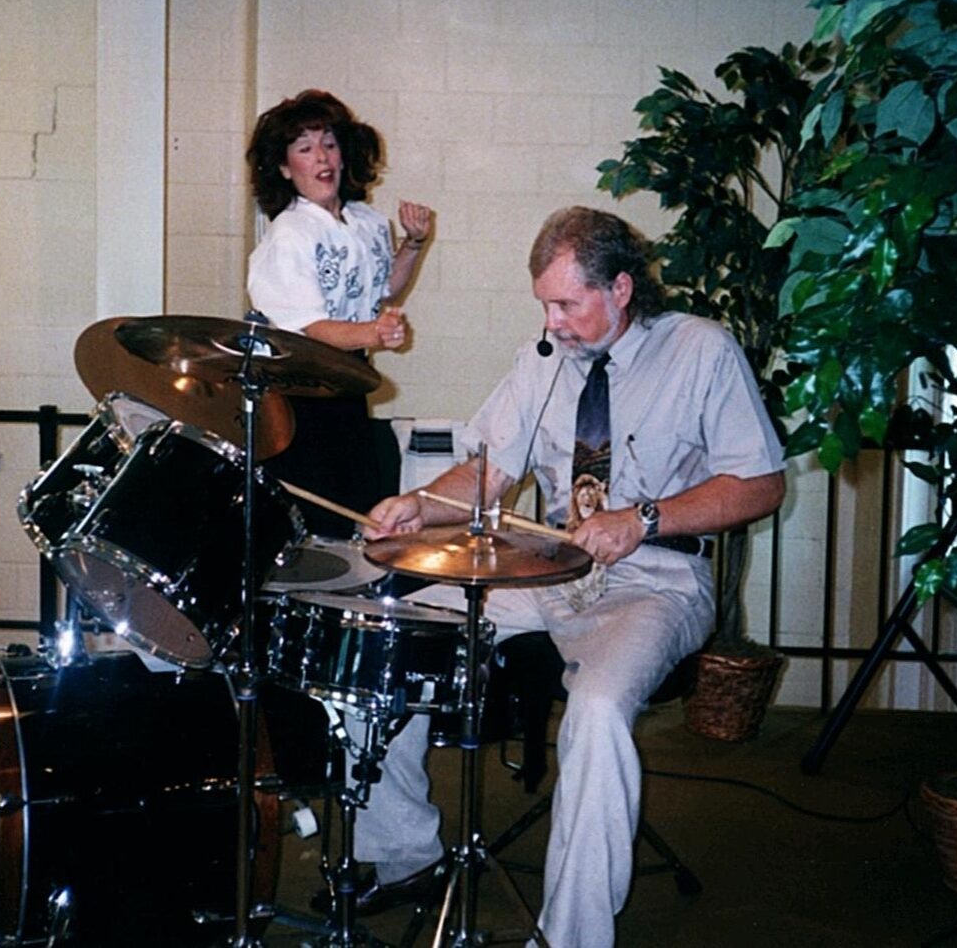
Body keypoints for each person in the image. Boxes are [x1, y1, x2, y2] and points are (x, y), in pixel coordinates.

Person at [337, 206, 787, 947]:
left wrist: (642, 517)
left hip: (656, 578)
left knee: (600, 709)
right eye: (545, 303)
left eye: (568, 303)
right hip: (543, 574)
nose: (553, 320)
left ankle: (572, 936)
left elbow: (760, 484)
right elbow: (490, 472)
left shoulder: (700, 350)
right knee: (385, 638)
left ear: (620, 287)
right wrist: (420, 504)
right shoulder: (543, 354)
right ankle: (404, 852)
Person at [245, 89, 434, 537]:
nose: (322, 158)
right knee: (314, 524)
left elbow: (387, 285)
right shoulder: (288, 235)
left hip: (348, 388)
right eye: (305, 149)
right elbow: (307, 328)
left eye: (329, 144)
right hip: (299, 400)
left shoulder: (365, 220)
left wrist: (413, 243)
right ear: (285, 168)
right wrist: (371, 332)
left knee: (357, 516)